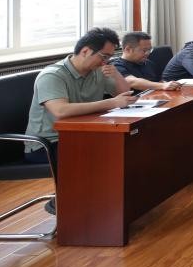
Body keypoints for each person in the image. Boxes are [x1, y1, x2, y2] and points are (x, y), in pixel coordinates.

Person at [25, 28, 133, 180]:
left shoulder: (98, 71)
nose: (105, 61)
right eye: (104, 56)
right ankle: (86, 194)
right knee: (108, 154)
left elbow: (124, 94)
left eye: (109, 57)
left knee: (128, 144)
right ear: (85, 51)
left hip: (83, 133)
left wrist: (116, 74)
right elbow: (60, 110)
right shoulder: (53, 75)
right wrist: (111, 103)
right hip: (49, 143)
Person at [109, 31, 182, 92]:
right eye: (144, 50)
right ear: (128, 49)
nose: (148, 53)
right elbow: (132, 82)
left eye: (149, 50)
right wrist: (162, 86)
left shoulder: (149, 63)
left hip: (156, 99)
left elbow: (160, 81)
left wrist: (171, 85)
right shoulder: (116, 66)